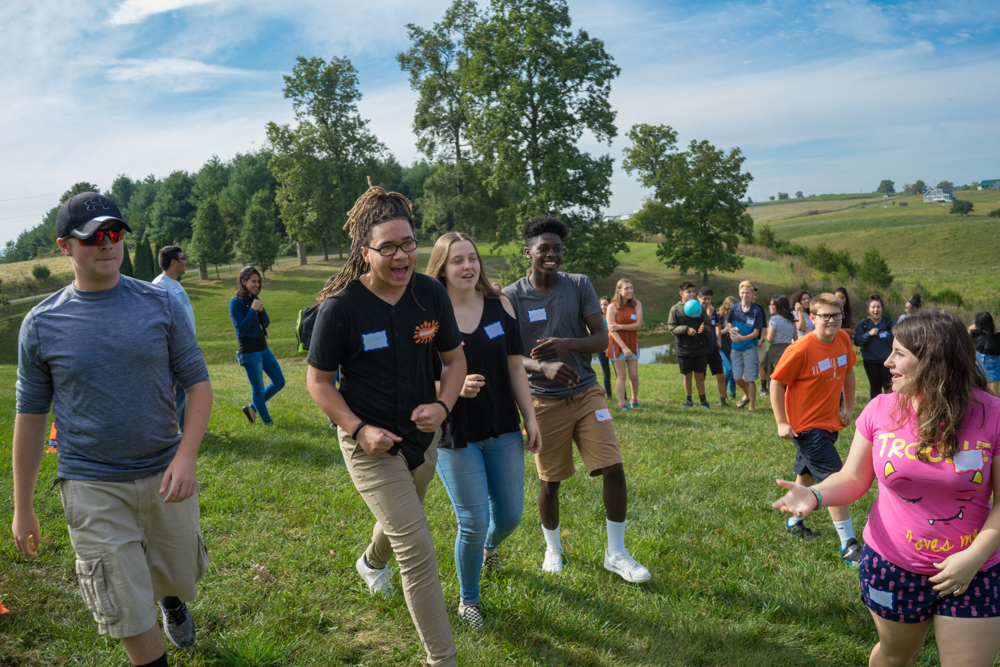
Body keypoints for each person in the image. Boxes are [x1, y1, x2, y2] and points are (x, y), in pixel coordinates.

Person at [13, 192, 212, 667]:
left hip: (165, 475)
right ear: (66, 247)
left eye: (115, 233)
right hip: (91, 483)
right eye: (93, 237)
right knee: (126, 608)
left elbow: (199, 384)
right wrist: (23, 508)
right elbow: (31, 417)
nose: (107, 244)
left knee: (175, 574)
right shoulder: (41, 325)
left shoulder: (160, 302)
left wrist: (185, 458)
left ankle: (170, 599)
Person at [772, 311, 1000, 666]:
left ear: (933, 362)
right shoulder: (881, 409)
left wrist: (973, 558)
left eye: (899, 354)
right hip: (893, 566)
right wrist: (814, 495)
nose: (887, 362)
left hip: (976, 570)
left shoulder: (993, 415)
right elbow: (852, 479)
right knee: (896, 657)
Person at [306, 184, 466, 666]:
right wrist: (358, 430)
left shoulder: (430, 294)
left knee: (400, 524)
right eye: (389, 247)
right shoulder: (342, 308)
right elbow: (317, 382)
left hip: (423, 437)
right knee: (417, 548)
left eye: (410, 244)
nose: (403, 256)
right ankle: (443, 660)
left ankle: (370, 563)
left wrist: (442, 407)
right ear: (365, 252)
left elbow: (455, 362)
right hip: (369, 446)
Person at [503, 215, 650, 583]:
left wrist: (567, 344)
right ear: (528, 253)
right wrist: (542, 367)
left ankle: (616, 552)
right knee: (550, 481)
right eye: (544, 249)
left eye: (557, 249)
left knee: (613, 466)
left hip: (586, 391)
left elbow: (601, 338)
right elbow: (507, 356)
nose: (552, 254)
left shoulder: (579, 284)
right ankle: (553, 548)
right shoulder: (512, 296)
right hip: (543, 400)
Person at [424, 232, 541, 630]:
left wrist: (531, 418)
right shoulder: (427, 313)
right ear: (442, 267)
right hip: (454, 433)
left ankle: (491, 548)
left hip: (502, 425)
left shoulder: (500, 304)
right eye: (457, 260)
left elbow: (514, 365)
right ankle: (468, 600)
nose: (467, 266)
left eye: (471, 258)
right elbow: (417, 375)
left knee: (509, 515)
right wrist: (450, 385)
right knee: (472, 521)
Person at [768, 292, 860, 563]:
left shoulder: (843, 339)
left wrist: (849, 407)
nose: (831, 321)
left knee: (807, 473)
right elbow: (776, 382)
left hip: (829, 421)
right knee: (836, 480)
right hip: (806, 427)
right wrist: (781, 422)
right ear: (812, 318)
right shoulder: (801, 349)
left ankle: (794, 523)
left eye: (836, 315)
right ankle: (849, 545)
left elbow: (849, 372)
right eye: (825, 316)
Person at [229, 266, 285, 425]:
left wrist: (261, 311)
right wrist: (253, 311)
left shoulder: (254, 300)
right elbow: (240, 328)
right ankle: (268, 422)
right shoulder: (235, 303)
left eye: (258, 282)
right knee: (258, 390)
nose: (257, 285)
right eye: (253, 281)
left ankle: (252, 408)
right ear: (243, 281)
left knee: (279, 381)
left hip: (263, 348)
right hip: (249, 352)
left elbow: (266, 323)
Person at [153, 246, 196, 431]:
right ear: (174, 262)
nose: (185, 261)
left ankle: (188, 427)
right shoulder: (160, 286)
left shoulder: (175, 283)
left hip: (187, 347)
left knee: (186, 389)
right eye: (183, 258)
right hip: (173, 349)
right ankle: (183, 431)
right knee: (178, 392)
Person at [667, 281, 712, 409]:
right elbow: (671, 328)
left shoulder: (700, 308)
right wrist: (686, 329)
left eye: (693, 291)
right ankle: (688, 401)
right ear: (681, 293)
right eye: (689, 292)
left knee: (700, 375)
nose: (692, 294)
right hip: (683, 349)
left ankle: (703, 401)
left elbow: (708, 325)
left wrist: (704, 328)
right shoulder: (675, 309)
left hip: (700, 347)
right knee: (687, 376)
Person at [606, 279, 643, 410]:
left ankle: (634, 399)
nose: (630, 291)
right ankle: (622, 404)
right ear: (619, 291)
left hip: (632, 343)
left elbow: (638, 325)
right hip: (617, 344)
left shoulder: (637, 304)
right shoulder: (612, 307)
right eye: (626, 288)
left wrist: (620, 326)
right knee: (621, 375)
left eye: (631, 288)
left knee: (634, 375)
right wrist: (623, 347)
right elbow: (612, 330)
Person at [728, 280, 764, 412]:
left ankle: (752, 407)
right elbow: (729, 323)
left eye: (748, 293)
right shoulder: (733, 308)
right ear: (739, 292)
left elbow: (756, 332)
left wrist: (743, 338)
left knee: (750, 379)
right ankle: (747, 394)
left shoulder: (756, 311)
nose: (745, 295)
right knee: (737, 377)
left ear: (752, 293)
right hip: (736, 348)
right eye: (743, 292)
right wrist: (730, 329)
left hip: (750, 348)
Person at [855, 293, 895, 400]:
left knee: (889, 387)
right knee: (875, 387)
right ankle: (875, 410)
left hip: (887, 362)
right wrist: (869, 333)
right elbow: (857, 341)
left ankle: (890, 409)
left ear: (882, 309)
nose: (876, 310)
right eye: (873, 307)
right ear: (868, 310)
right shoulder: (863, 324)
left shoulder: (889, 322)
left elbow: (898, 339)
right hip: (870, 362)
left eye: (878, 307)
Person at [761, 295, 797, 398]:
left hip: (775, 349)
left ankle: (774, 396)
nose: (769, 306)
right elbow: (796, 340)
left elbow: (770, 339)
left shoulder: (774, 319)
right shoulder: (792, 320)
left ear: (779, 306)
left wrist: (767, 332)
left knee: (774, 375)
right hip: (788, 349)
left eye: (772, 304)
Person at [698, 286, 728, 407]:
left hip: (713, 348)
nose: (707, 302)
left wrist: (718, 339)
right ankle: (703, 400)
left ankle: (723, 401)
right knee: (702, 377)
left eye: (709, 299)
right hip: (701, 349)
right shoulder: (696, 311)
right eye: (704, 299)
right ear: (698, 298)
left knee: (721, 375)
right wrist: (709, 315)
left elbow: (716, 325)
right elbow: (701, 328)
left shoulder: (712, 309)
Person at [969, 312, 1000, 396]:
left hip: (993, 363)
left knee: (994, 393)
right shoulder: (977, 332)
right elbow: (969, 330)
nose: (977, 326)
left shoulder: (998, 335)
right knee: (976, 389)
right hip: (978, 361)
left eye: (979, 324)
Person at [717, 295, 738, 400]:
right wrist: (726, 330)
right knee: (728, 369)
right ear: (726, 307)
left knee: (733, 372)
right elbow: (713, 334)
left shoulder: (735, 318)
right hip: (720, 348)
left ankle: (732, 395)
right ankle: (723, 392)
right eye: (731, 308)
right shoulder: (718, 316)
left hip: (732, 347)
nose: (732, 311)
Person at [597, 296, 615, 399]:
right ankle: (609, 395)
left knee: (619, 373)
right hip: (601, 349)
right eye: (601, 304)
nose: (603, 306)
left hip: (613, 348)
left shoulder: (612, 317)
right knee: (606, 372)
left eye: (606, 304)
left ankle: (624, 396)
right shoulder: (597, 318)